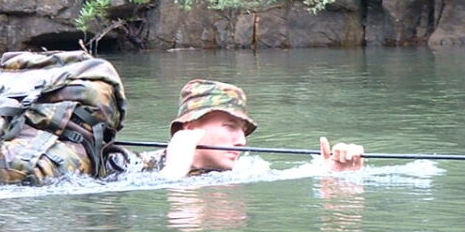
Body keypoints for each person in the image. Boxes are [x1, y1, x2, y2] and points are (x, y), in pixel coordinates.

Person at [131, 79, 365, 179]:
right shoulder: (131, 166)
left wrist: (331, 175)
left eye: (243, 130)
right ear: (190, 127)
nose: (241, 141)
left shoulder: (247, 170)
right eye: (230, 127)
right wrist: (174, 173)